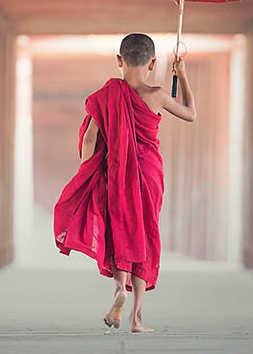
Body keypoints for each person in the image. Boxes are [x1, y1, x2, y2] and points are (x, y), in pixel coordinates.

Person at [53, 33, 196, 333]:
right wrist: (181, 75)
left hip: (116, 172)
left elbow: (91, 137)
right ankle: (137, 317)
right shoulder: (157, 94)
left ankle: (119, 289)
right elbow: (190, 114)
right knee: (145, 234)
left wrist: (87, 171)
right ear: (153, 62)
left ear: (119, 61)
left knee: (121, 230)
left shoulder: (107, 93)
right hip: (149, 173)